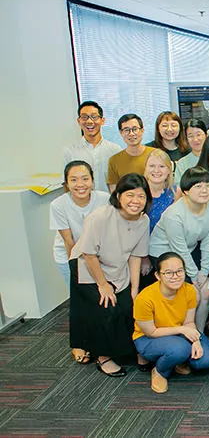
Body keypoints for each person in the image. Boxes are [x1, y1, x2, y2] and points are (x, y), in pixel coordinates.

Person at [69, 173, 151, 377]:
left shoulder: (143, 220)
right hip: (87, 267)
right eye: (130, 195)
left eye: (141, 196)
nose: (135, 201)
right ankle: (103, 356)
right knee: (107, 305)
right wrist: (103, 285)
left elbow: (135, 256)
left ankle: (133, 350)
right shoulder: (100, 217)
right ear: (118, 195)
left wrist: (134, 288)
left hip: (117, 268)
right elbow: (88, 254)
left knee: (129, 304)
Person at [50, 161, 110, 364]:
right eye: (73, 180)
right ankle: (80, 342)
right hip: (71, 256)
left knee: (99, 300)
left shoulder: (104, 199)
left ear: (92, 180)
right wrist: (79, 271)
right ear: (66, 183)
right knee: (80, 301)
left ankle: (101, 341)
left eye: (85, 178)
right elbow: (70, 243)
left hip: (100, 256)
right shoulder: (58, 205)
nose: (80, 184)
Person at [133, 252, 209, 393]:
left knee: (206, 359)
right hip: (148, 338)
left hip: (178, 334)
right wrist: (183, 331)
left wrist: (195, 340)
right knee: (181, 349)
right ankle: (160, 371)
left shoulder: (189, 290)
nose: (175, 276)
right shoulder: (145, 298)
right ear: (158, 276)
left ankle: (176, 359)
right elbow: (151, 332)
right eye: (168, 273)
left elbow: (189, 322)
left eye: (179, 271)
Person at [149, 166, 209, 330]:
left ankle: (199, 332)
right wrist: (194, 276)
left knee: (206, 290)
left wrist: (203, 272)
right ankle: (184, 331)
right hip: (164, 252)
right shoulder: (173, 214)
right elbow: (178, 249)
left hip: (189, 249)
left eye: (208, 185)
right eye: (198, 186)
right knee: (192, 293)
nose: (204, 190)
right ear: (186, 191)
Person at [64, 100, 122, 192]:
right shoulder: (70, 152)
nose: (89, 121)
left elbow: (120, 183)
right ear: (79, 121)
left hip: (109, 204)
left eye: (94, 117)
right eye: (84, 117)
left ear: (102, 120)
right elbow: (66, 184)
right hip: (83, 205)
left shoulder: (115, 150)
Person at [107, 113, 154, 192]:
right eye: (126, 130)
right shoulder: (114, 160)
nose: (131, 134)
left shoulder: (155, 154)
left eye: (135, 129)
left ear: (142, 130)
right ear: (121, 133)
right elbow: (114, 192)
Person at [144, 149, 177, 232]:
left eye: (162, 166)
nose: (156, 170)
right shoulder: (136, 191)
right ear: (145, 168)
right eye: (152, 166)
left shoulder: (176, 192)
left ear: (169, 170)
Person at [174, 118, 208, 185]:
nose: (195, 139)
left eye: (198, 135)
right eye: (190, 136)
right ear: (186, 139)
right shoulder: (182, 163)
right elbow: (179, 188)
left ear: (206, 135)